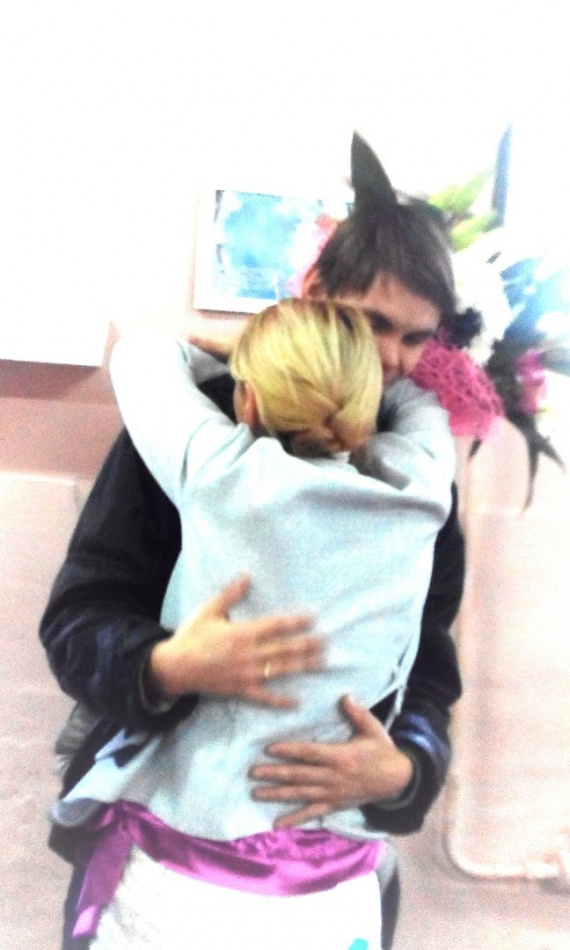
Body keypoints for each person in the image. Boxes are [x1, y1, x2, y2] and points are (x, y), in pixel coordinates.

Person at [40, 133, 474, 949]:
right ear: (314, 292)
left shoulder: (419, 483)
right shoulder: (189, 432)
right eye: (373, 324)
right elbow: (78, 618)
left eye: (418, 339)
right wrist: (163, 665)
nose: (390, 360)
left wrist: (405, 770)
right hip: (164, 848)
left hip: (329, 875)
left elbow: (428, 660)